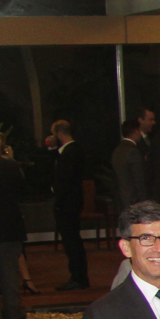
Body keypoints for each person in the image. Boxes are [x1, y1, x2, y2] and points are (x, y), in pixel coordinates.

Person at [50, 119, 88, 290]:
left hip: (67, 203)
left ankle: (77, 277)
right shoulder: (76, 150)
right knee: (74, 239)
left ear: (58, 133)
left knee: (71, 241)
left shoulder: (68, 153)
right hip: (73, 201)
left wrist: (58, 199)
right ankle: (80, 276)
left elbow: (63, 180)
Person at [0, 141, 30, 319]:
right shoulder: (10, 166)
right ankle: (12, 314)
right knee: (9, 273)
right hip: (8, 226)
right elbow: (23, 191)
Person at [111, 118, 147, 210]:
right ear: (136, 131)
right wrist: (143, 202)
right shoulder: (133, 151)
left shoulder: (117, 150)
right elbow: (139, 180)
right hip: (133, 201)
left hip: (120, 200)